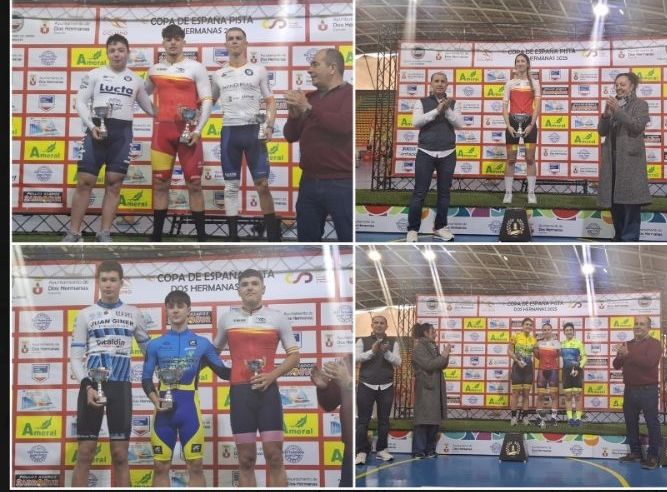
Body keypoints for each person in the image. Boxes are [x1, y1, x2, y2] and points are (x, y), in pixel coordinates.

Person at [63, 34, 154, 243]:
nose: (117, 54)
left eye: (121, 50)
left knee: (114, 183)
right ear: (107, 53)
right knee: (84, 182)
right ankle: (74, 232)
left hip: (122, 135)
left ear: (128, 53)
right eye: (112, 50)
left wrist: (177, 111)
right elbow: (80, 102)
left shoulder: (136, 80)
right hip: (97, 130)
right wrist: (91, 126)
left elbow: (150, 108)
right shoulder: (94, 74)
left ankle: (104, 233)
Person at [214, 268, 300, 487]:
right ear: (238, 290)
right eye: (244, 284)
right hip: (240, 395)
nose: (249, 288)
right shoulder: (227, 319)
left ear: (263, 288)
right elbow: (212, 354)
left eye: (254, 283)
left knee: (275, 456)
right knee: (245, 460)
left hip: (268, 393)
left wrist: (271, 376)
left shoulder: (277, 317)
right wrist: (229, 373)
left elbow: (294, 356)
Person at [69, 260, 150, 486]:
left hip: (120, 386)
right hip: (91, 387)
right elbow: (75, 357)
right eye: (104, 280)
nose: (108, 285)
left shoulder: (134, 313)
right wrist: (87, 385)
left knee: (121, 455)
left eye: (113, 280)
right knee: (85, 453)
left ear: (121, 283)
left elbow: (150, 352)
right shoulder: (85, 314)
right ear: (98, 282)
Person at [142, 290, 230, 487]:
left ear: (189, 310)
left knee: (196, 466)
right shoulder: (155, 345)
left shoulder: (202, 344)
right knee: (160, 466)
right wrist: (156, 401)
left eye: (180, 306)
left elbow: (224, 373)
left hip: (189, 410)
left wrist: (249, 368)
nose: (175, 310)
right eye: (171, 306)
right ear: (166, 310)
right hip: (163, 411)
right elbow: (146, 378)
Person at [210, 27, 280, 242]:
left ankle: (273, 236)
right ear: (226, 44)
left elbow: (270, 101)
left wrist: (269, 126)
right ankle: (233, 236)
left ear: (245, 43)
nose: (234, 41)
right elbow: (208, 102)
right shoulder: (218, 74)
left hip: (253, 131)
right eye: (230, 38)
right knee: (231, 186)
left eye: (238, 38)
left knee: (263, 185)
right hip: (230, 132)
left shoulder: (258, 70)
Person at [145, 24, 213, 242]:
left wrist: (199, 130)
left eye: (176, 39)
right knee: (161, 184)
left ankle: (202, 238)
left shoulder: (196, 67)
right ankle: (156, 237)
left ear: (184, 42)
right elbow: (140, 94)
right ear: (163, 43)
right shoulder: (154, 70)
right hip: (162, 134)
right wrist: (153, 112)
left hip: (189, 132)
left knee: (194, 184)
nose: (172, 43)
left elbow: (207, 100)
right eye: (168, 39)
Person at [283, 48, 353, 242]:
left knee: (348, 240)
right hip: (309, 183)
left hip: (342, 183)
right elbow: (290, 136)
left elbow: (343, 126)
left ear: (332, 68)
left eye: (315, 64)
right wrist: (293, 116)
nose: (309, 70)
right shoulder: (310, 98)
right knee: (306, 241)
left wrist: (307, 108)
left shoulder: (350, 94)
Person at [406, 72, 464, 242]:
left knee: (444, 193)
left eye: (443, 81)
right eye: (436, 81)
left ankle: (440, 227)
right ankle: (413, 230)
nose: (439, 84)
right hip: (426, 152)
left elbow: (460, 124)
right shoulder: (421, 102)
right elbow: (416, 123)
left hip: (448, 153)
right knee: (419, 192)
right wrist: (436, 111)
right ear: (431, 84)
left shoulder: (454, 103)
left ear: (447, 84)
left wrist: (446, 111)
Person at [598, 72, 651, 241]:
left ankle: (629, 240)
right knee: (615, 203)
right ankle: (619, 237)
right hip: (612, 161)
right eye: (617, 85)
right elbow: (602, 132)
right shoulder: (613, 104)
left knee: (630, 204)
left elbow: (637, 126)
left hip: (630, 162)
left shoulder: (641, 104)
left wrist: (618, 111)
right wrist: (605, 116)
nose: (618, 88)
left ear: (632, 86)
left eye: (623, 84)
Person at [612, 315, 662, 470]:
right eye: (636, 323)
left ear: (649, 327)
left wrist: (628, 354)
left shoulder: (655, 344)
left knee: (652, 423)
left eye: (642, 324)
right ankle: (635, 453)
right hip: (630, 390)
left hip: (648, 390)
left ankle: (653, 456)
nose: (638, 326)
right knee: (630, 422)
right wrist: (620, 355)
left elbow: (649, 363)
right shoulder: (627, 344)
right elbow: (616, 365)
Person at [355, 315, 401, 465]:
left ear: (386, 326)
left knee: (384, 421)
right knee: (363, 421)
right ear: (372, 325)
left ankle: (382, 450)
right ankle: (361, 451)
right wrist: (372, 352)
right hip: (366, 385)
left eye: (382, 323)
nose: (379, 325)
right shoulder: (362, 341)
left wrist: (387, 353)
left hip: (386, 386)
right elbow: (355, 358)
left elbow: (398, 362)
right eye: (376, 323)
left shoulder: (393, 342)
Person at [503, 53, 541, 205]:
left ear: (527, 64)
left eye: (522, 61)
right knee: (511, 159)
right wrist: (508, 125)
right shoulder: (510, 83)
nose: (520, 63)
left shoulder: (534, 83)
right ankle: (508, 193)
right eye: (517, 61)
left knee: (530, 159)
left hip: (529, 123)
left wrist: (531, 124)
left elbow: (537, 107)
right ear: (515, 65)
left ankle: (531, 193)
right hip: (512, 122)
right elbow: (504, 107)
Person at [311, 355, 353, 487]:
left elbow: (366, 401)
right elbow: (329, 404)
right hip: (350, 446)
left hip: (360, 442)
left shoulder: (366, 366)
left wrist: (349, 382)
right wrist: (323, 388)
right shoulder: (347, 361)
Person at [411, 322, 450, 458]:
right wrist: (443, 355)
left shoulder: (432, 346)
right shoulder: (419, 348)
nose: (436, 334)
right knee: (423, 420)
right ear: (425, 333)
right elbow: (429, 365)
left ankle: (430, 449)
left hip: (435, 387)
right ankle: (419, 450)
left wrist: (445, 356)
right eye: (433, 332)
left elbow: (441, 365)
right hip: (425, 388)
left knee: (434, 420)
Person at [508, 317, 537, 426]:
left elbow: (537, 353)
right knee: (515, 393)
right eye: (526, 324)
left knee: (526, 394)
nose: (528, 326)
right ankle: (513, 417)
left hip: (528, 369)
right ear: (522, 325)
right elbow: (509, 351)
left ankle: (525, 417)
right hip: (517, 367)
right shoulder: (515, 336)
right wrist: (517, 360)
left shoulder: (533, 340)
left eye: (530, 325)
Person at [533, 323, 560, 427]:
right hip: (542, 370)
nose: (546, 331)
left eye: (548, 329)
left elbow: (558, 355)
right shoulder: (538, 343)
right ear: (542, 331)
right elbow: (537, 356)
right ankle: (540, 419)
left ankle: (553, 418)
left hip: (553, 370)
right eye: (544, 330)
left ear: (551, 331)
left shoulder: (557, 343)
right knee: (540, 395)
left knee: (553, 395)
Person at [560, 322, 587, 426]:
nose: (569, 332)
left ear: (573, 331)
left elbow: (584, 357)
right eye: (567, 330)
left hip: (577, 372)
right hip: (566, 372)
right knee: (567, 396)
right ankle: (570, 419)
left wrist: (578, 369)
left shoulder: (579, 343)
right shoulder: (561, 344)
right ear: (564, 332)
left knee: (578, 396)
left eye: (570, 330)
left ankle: (578, 418)